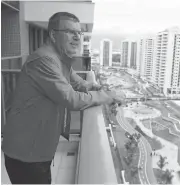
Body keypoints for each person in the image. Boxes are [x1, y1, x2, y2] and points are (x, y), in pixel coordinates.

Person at [2, 12, 121, 184]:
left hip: (37, 150)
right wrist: (105, 97)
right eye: (70, 32)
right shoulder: (44, 60)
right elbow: (71, 98)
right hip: (25, 155)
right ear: (53, 35)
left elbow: (79, 83)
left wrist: (95, 87)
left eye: (79, 33)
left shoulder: (60, 61)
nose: (77, 37)